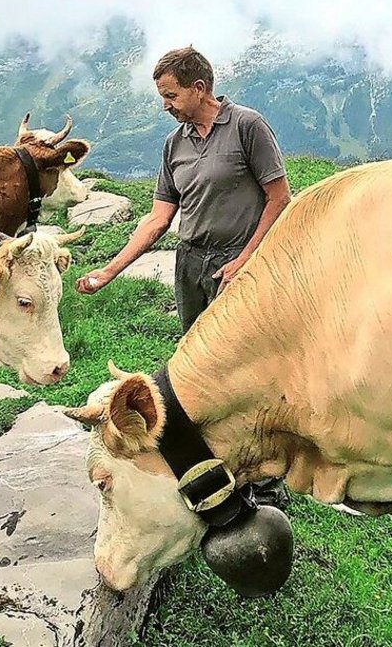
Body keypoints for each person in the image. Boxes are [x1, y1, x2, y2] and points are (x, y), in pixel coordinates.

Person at [75, 45, 292, 505]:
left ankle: (267, 484)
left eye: (171, 95)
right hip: (191, 262)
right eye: (162, 97)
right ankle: (218, 460)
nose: (165, 106)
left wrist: (245, 260)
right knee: (200, 366)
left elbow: (279, 198)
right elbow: (158, 219)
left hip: (238, 264)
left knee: (247, 369)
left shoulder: (247, 126)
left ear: (199, 88)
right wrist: (109, 271)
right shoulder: (174, 144)